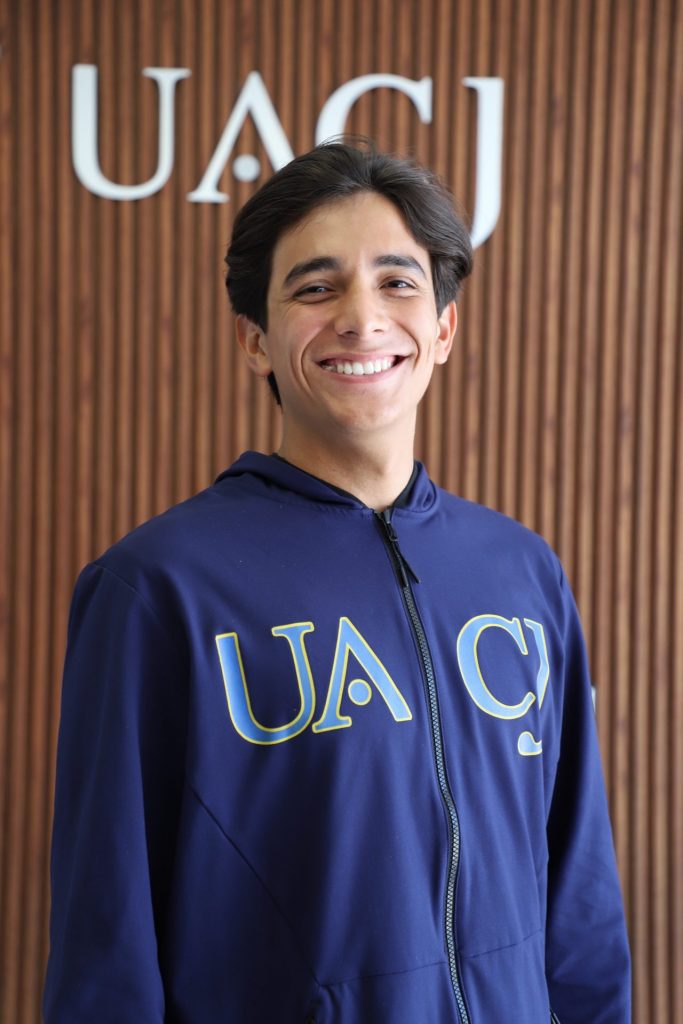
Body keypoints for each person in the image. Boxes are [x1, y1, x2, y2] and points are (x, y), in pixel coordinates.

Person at [44, 142, 631, 1023]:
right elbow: (106, 941)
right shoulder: (158, 590)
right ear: (255, 340)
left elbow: (578, 891)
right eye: (316, 288)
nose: (361, 319)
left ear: (442, 329)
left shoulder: (521, 570)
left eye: (397, 283)